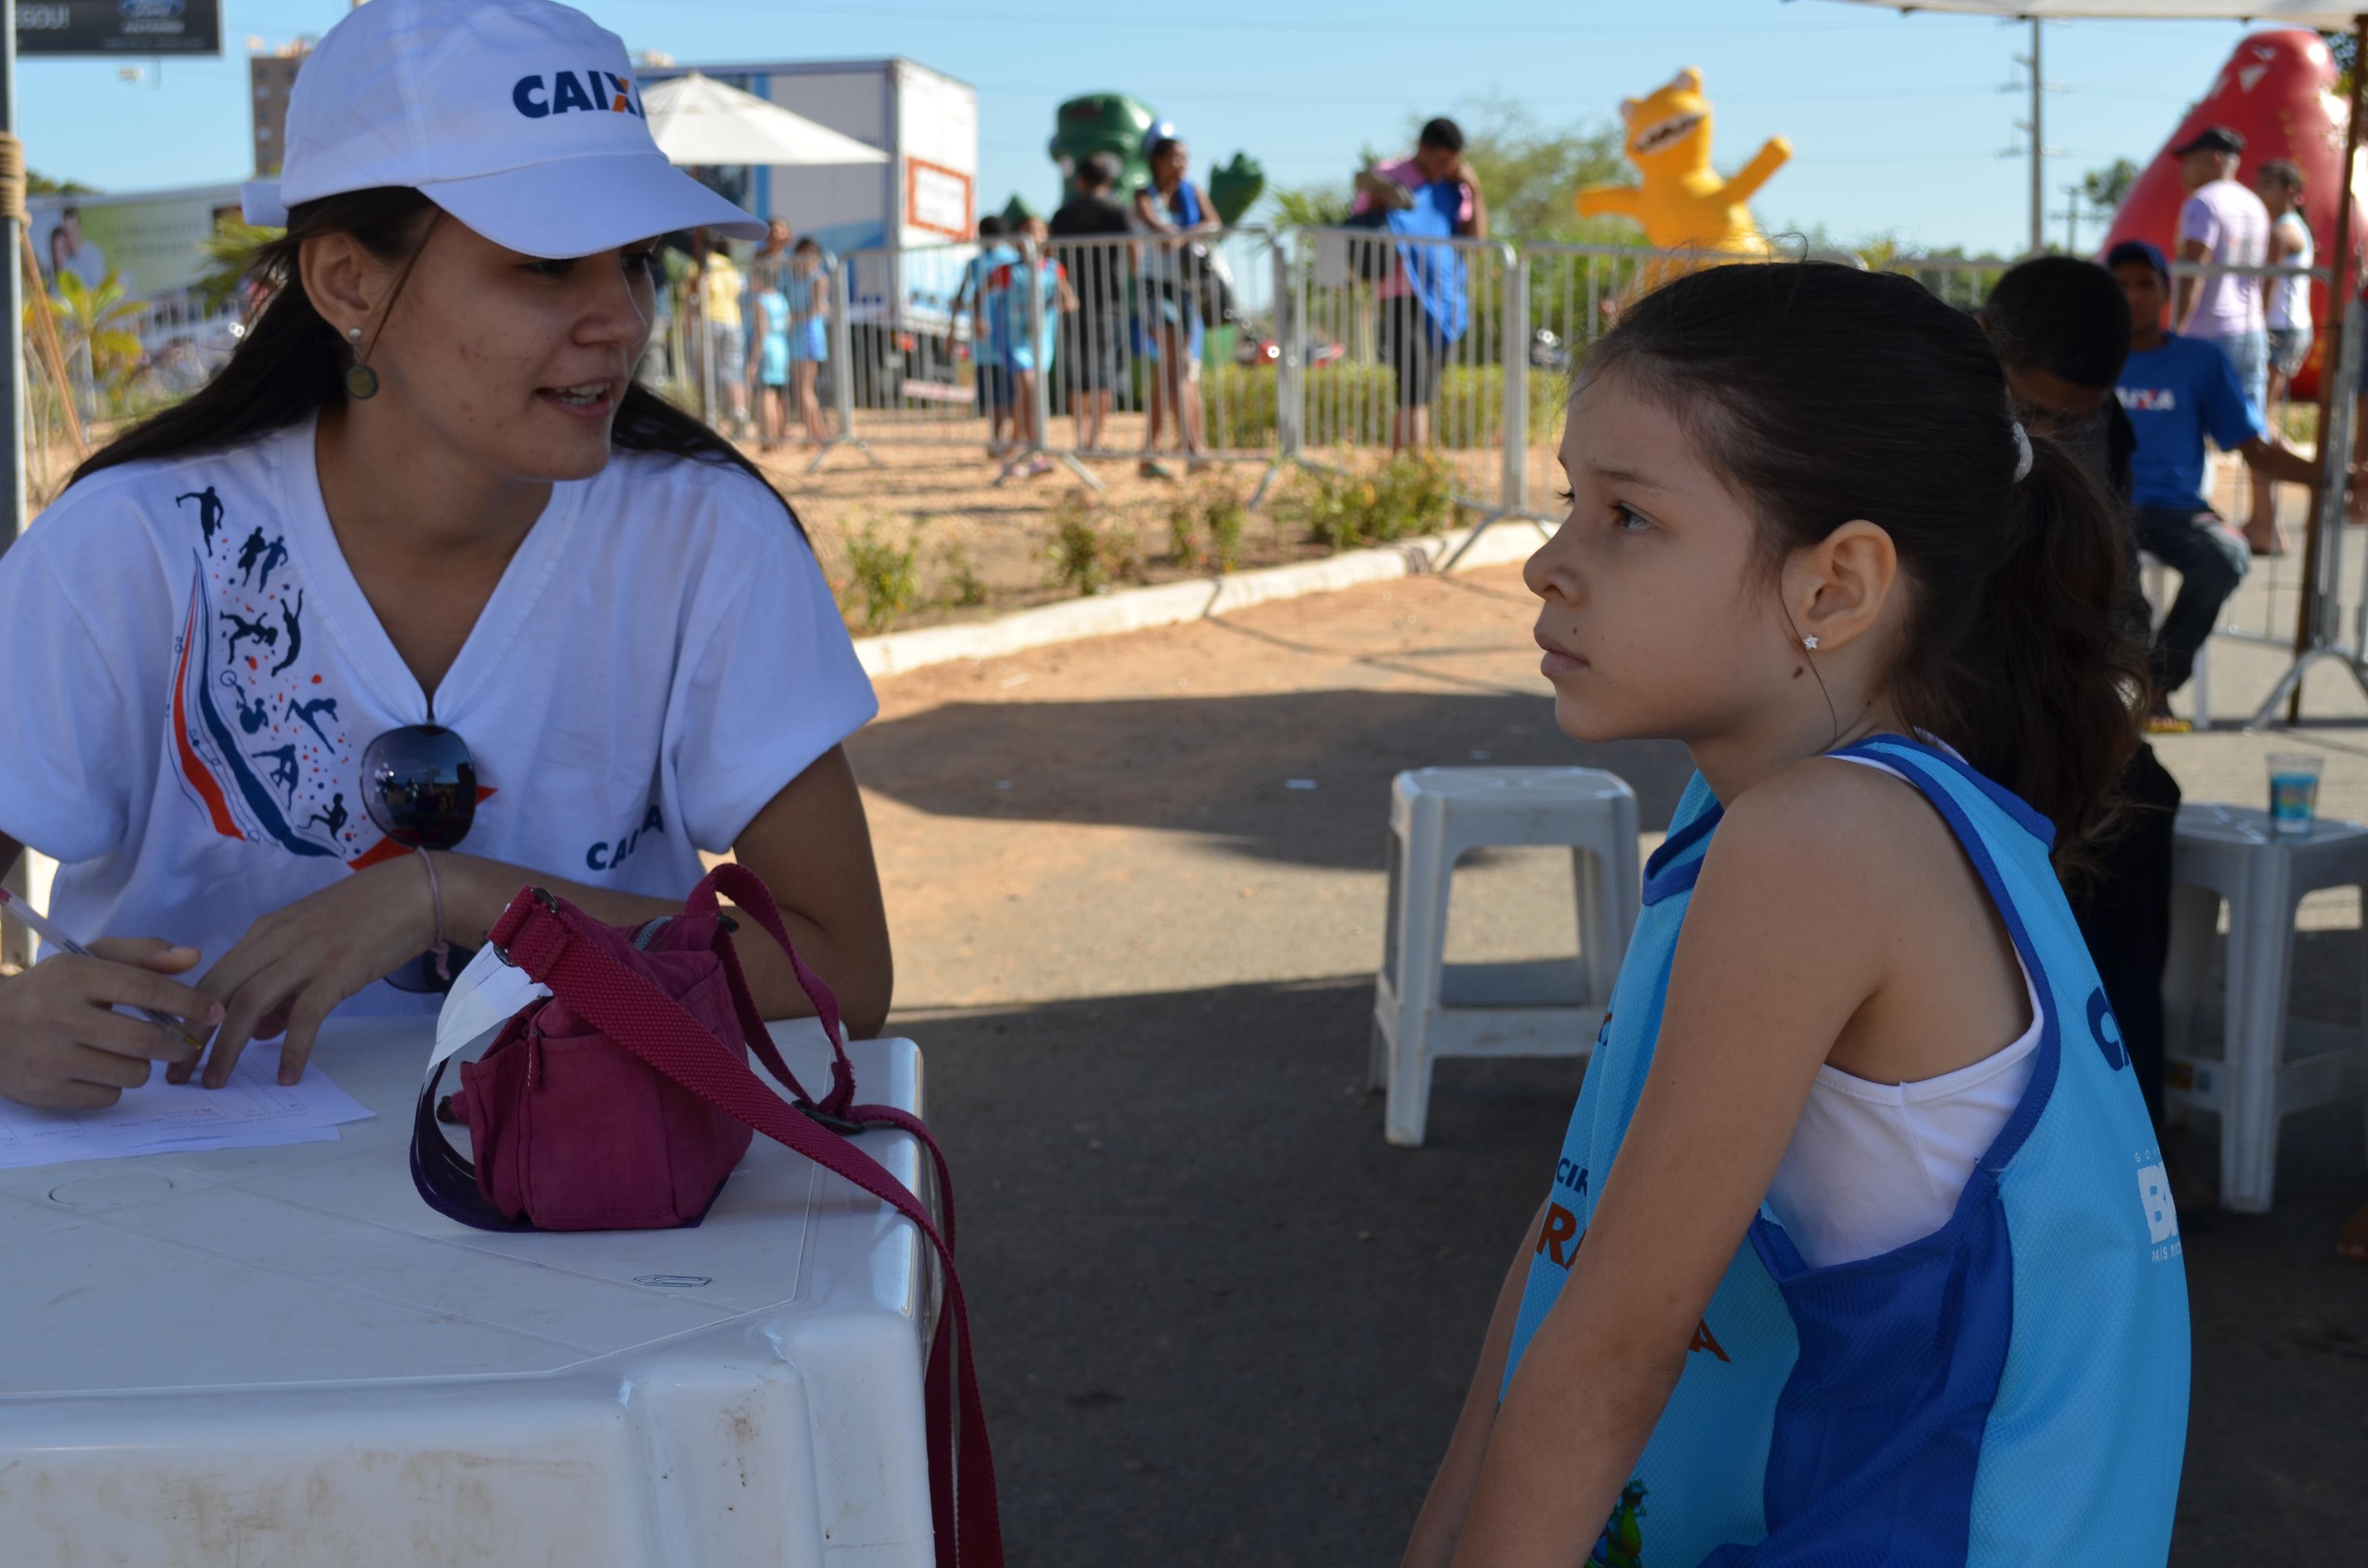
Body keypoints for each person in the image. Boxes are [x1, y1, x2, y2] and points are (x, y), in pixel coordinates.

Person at [1400, 262, 2187, 1567]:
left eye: (1628, 518)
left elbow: (1610, 1358)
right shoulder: (1785, 811)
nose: (1550, 563)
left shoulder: (1820, 842)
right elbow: (1567, 1259)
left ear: (1835, 587)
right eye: (1567, 503)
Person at [0, 0, 889, 1110]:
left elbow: (842, 972)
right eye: (547, 263)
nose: (621, 318)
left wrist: (461, 897)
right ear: (347, 286)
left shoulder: (706, 537)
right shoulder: (127, 545)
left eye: (639, 260)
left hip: (605, 1238)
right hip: (171, 1244)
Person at [1980, 255, 2197, 1199]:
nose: (2056, 434)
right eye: (2039, 411)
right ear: (1987, 349)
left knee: (2141, 801)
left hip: (2050, 691)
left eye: (2076, 416)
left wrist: (2117, 692)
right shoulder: (1911, 404)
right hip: (1928, 696)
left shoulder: (2094, 419)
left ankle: (2131, 1144)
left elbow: (2106, 576)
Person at [2108, 238, 2319, 727]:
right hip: (2105, 505)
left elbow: (2252, 444)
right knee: (2102, 568)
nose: (2134, 295)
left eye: (2145, 283)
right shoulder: (2085, 358)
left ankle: (2155, 685)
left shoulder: (2200, 361)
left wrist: (2329, 477)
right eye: (2121, 286)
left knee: (2226, 556)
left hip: (2178, 510)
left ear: (2166, 292)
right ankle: (2091, 697)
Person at [1351, 117, 1487, 453]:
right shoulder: (1386, 175)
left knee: (1422, 388)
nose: (1447, 167)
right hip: (1400, 292)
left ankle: (1400, 467)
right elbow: (1357, 225)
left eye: (1453, 161)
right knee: (1412, 382)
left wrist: (1476, 189)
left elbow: (1478, 240)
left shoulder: (1456, 187)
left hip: (1443, 298)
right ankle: (1418, 467)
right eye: (1442, 160)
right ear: (1423, 150)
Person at [1133, 135, 1219, 479]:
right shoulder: (1145, 194)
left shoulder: (1193, 190)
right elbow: (1153, 223)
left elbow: (1214, 222)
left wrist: (1184, 235)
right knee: (1178, 363)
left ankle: (1149, 454)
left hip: (1185, 285)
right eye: (1176, 157)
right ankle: (1193, 448)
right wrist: (1174, 232)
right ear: (1158, 160)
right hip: (1154, 286)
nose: (1183, 163)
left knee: (1171, 368)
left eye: (1186, 157)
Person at [2171, 126, 2271, 413]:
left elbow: (2195, 270)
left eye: (2190, 160)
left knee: (2194, 422)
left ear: (2215, 160)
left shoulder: (2204, 202)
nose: (2184, 170)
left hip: (2208, 332)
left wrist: (2176, 333)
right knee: (2250, 426)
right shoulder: (2254, 203)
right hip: (2251, 328)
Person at [1048, 153, 1133, 456]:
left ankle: (1080, 438)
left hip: (1072, 301)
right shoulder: (1118, 211)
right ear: (1108, 180)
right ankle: (1096, 440)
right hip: (1109, 302)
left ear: (1080, 180)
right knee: (1103, 372)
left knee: (1077, 372)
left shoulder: (1062, 215)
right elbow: (1133, 252)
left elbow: (1048, 257)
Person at [2248, 159, 2313, 555]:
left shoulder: (2283, 231)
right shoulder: (2292, 228)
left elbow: (2264, 287)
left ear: (2290, 192)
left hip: (2277, 331)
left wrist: (2253, 328)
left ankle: (2268, 524)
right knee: (2260, 423)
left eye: (2269, 186)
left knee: (2258, 427)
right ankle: (2262, 519)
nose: (2261, 193)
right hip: (2287, 330)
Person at [988, 216, 1077, 480]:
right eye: (1027, 230)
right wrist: (981, 318)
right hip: (1013, 339)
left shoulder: (1053, 268)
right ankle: (1038, 453)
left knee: (1026, 397)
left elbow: (1070, 299)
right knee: (1030, 390)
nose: (1033, 235)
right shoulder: (1006, 271)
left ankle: (1013, 451)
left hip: (1041, 340)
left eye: (1038, 231)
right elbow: (981, 293)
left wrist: (1065, 304)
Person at [952, 214, 1017, 456]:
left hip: (1007, 336)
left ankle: (1008, 438)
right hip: (985, 342)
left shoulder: (1009, 260)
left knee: (1008, 391)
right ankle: (998, 438)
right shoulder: (976, 263)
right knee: (994, 393)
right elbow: (963, 295)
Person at [694, 234, 751, 437]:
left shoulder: (702, 265)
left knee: (706, 374)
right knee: (733, 374)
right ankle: (739, 413)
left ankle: (708, 421)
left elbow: (697, 294)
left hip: (711, 322)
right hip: (734, 322)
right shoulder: (729, 265)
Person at [783, 237, 833, 446]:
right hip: (795, 336)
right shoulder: (792, 278)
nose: (806, 256)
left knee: (805, 390)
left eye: (811, 252)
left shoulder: (818, 278)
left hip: (809, 335)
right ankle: (817, 435)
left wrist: (793, 317)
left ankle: (819, 437)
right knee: (803, 390)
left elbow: (816, 309)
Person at [750, 259, 792, 452]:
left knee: (766, 396)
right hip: (781, 347)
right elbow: (789, 324)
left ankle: (769, 439)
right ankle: (780, 437)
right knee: (779, 395)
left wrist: (752, 361)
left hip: (768, 349)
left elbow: (761, 332)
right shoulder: (781, 299)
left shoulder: (761, 301)